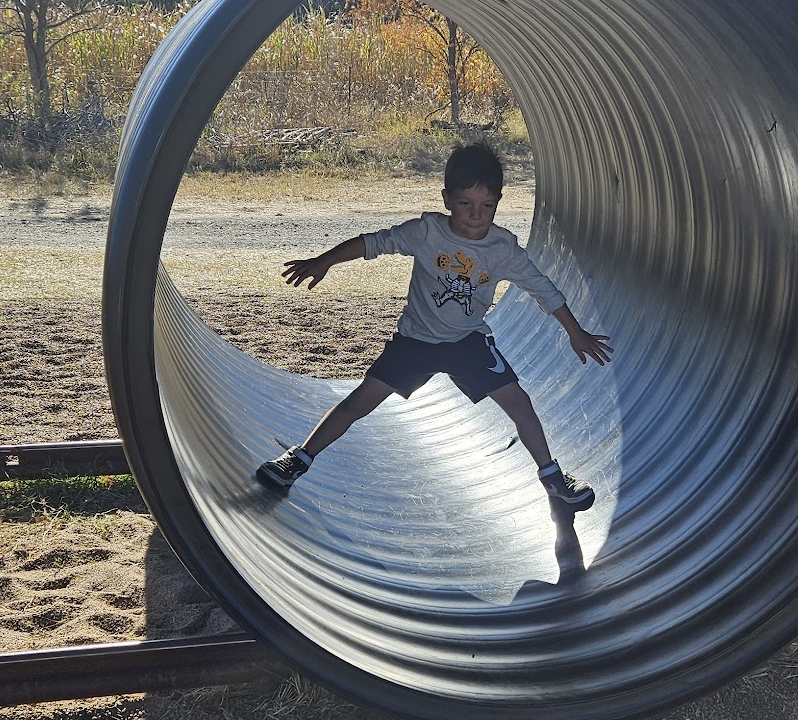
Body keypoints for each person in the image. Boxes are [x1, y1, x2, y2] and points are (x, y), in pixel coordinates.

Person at [255, 142, 611, 511]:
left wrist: (575, 331)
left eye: (487, 206)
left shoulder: (502, 249)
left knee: (519, 403)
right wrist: (325, 261)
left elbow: (543, 289)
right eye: (465, 203)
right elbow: (372, 243)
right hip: (415, 342)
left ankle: (553, 478)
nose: (475, 215)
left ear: (498, 202)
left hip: (467, 342)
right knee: (359, 402)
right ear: (446, 199)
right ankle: (299, 458)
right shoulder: (426, 233)